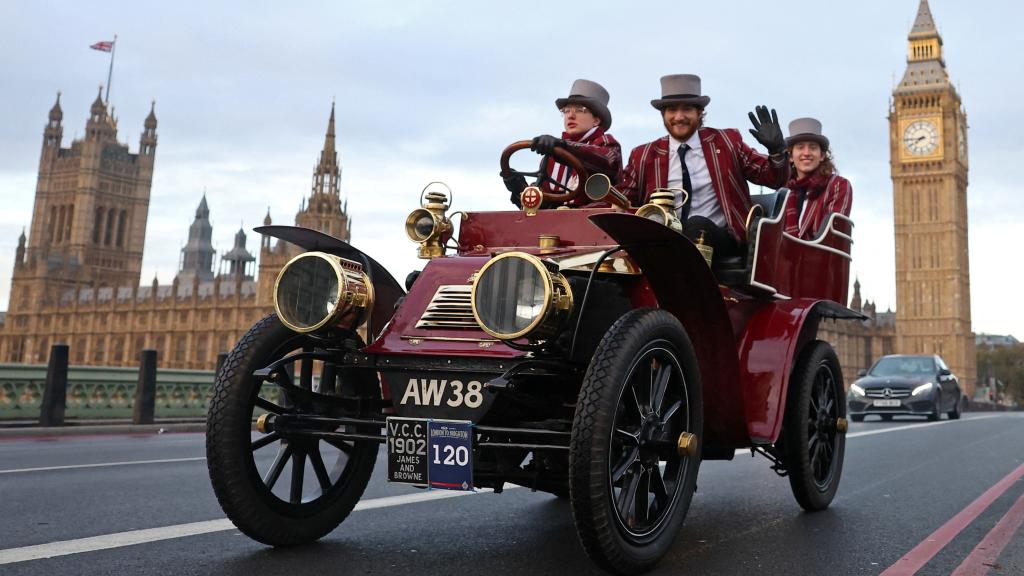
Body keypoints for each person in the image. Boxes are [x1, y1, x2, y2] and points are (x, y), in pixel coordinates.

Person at [618, 74, 790, 261]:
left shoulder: (727, 142)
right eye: (672, 110)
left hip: (720, 238)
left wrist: (777, 150)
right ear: (663, 114)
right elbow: (622, 203)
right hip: (662, 243)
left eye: (687, 109)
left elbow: (773, 179)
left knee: (697, 224)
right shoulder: (643, 155)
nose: (679, 117)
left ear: (700, 112)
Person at [504, 79, 622, 207]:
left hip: (595, 222)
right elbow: (542, 205)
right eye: (566, 110)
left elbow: (604, 160)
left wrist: (563, 146)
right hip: (558, 224)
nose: (570, 116)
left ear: (596, 120)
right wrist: (519, 189)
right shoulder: (552, 155)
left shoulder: (607, 144)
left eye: (580, 110)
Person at [781, 117, 852, 239]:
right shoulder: (783, 191)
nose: (806, 153)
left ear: (822, 155)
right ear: (791, 156)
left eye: (813, 147)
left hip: (818, 256)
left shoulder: (838, 185)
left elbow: (830, 236)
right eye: (800, 147)